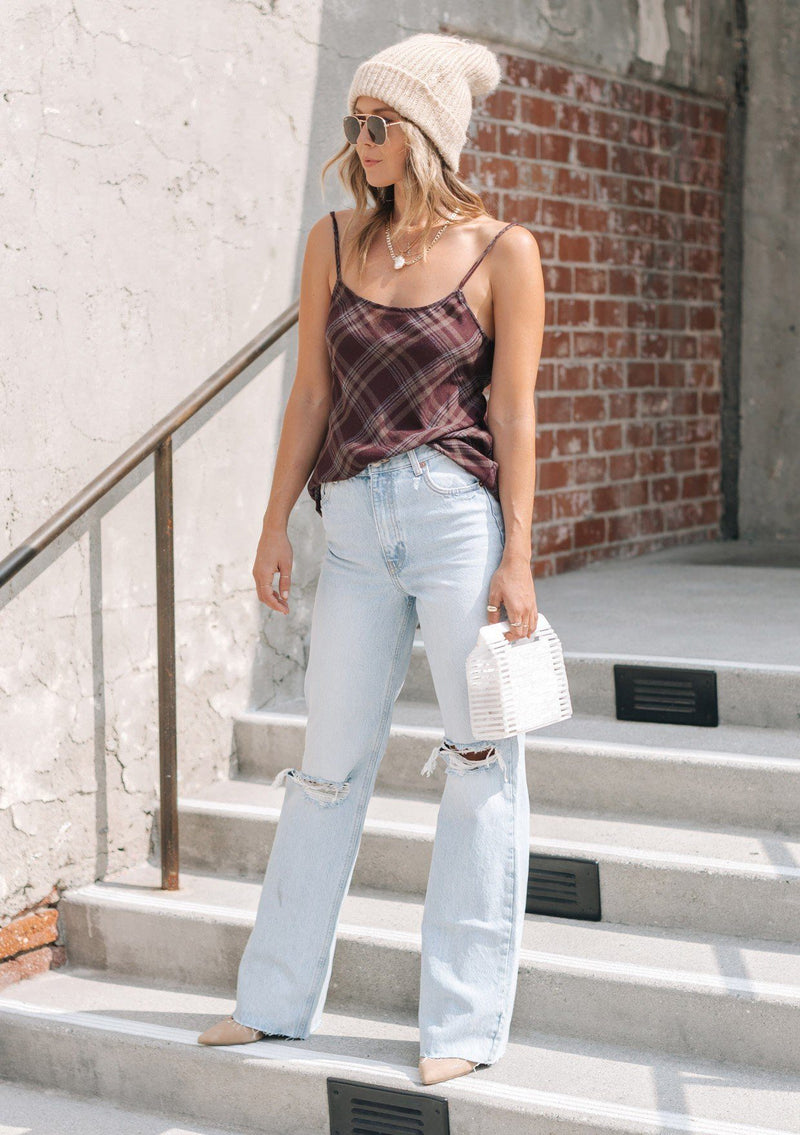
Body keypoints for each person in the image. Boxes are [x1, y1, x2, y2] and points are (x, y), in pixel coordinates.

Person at [197, 31, 544, 1088]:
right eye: (354, 122)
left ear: (428, 131)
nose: (361, 141)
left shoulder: (502, 252)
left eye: (378, 122)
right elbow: (309, 394)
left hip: (454, 525)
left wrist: (518, 553)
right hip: (348, 531)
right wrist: (271, 528)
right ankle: (272, 1001)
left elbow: (513, 411)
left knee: (480, 762)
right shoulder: (334, 239)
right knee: (325, 770)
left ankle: (463, 1023)